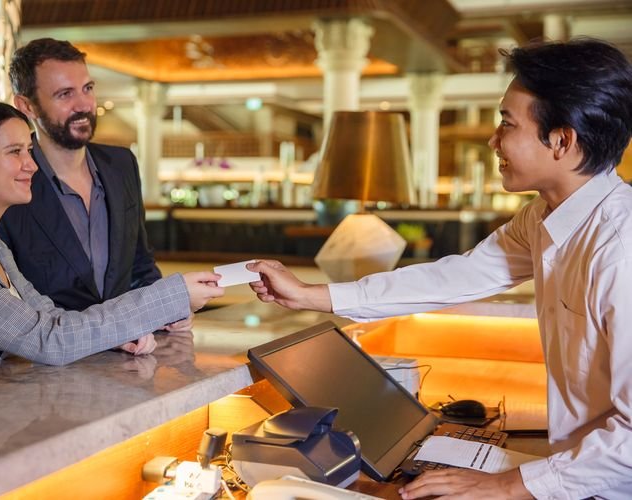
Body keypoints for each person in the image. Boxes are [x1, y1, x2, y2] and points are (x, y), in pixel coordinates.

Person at [248, 38, 632, 499]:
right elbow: (462, 275)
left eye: (506, 124)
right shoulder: (545, 216)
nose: (493, 140)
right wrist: (312, 295)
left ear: (562, 140)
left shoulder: (619, 246)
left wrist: (508, 486)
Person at [0, 97, 223, 380]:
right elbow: (49, 339)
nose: (31, 165)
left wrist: (113, 336)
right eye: (15, 152)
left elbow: (51, 318)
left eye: (29, 150)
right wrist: (172, 295)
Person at [0, 38, 192, 350]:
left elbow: (139, 265)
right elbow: (13, 303)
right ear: (26, 106)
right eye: (65, 94)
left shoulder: (122, 164)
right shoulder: (9, 181)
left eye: (87, 88)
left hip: (130, 367)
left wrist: (166, 310)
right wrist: (110, 333)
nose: (84, 104)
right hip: (45, 373)